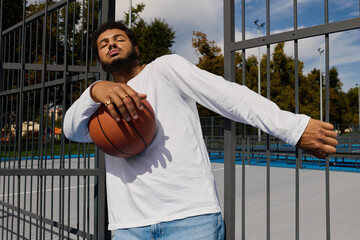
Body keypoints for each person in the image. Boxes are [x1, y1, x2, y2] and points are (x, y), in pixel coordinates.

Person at [63, 21, 338, 240]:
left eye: (119, 39)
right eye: (103, 44)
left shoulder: (165, 68)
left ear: (136, 47)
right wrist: (95, 89)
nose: (111, 44)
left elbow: (228, 96)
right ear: (100, 62)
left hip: (191, 218)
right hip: (129, 226)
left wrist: (293, 128)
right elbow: (71, 130)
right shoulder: (96, 104)